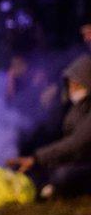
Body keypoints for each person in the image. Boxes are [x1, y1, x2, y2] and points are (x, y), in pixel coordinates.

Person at [7, 55, 91, 198]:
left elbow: (77, 143)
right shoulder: (75, 109)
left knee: (63, 175)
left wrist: (37, 158)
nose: (72, 89)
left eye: (77, 84)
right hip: (78, 159)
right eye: (70, 84)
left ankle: (51, 188)